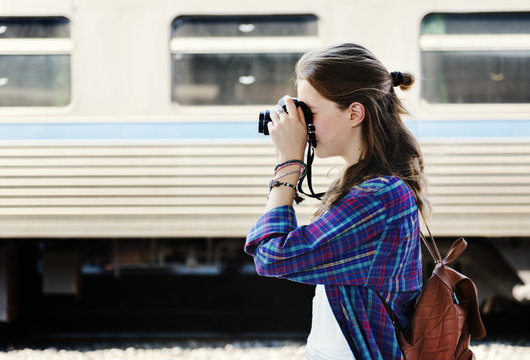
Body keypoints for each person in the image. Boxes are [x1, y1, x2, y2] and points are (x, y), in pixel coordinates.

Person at [244, 43, 429, 360]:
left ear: (355, 113)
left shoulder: (378, 196)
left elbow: (272, 256)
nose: (303, 124)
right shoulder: (369, 185)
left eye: (310, 112)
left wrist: (288, 162)